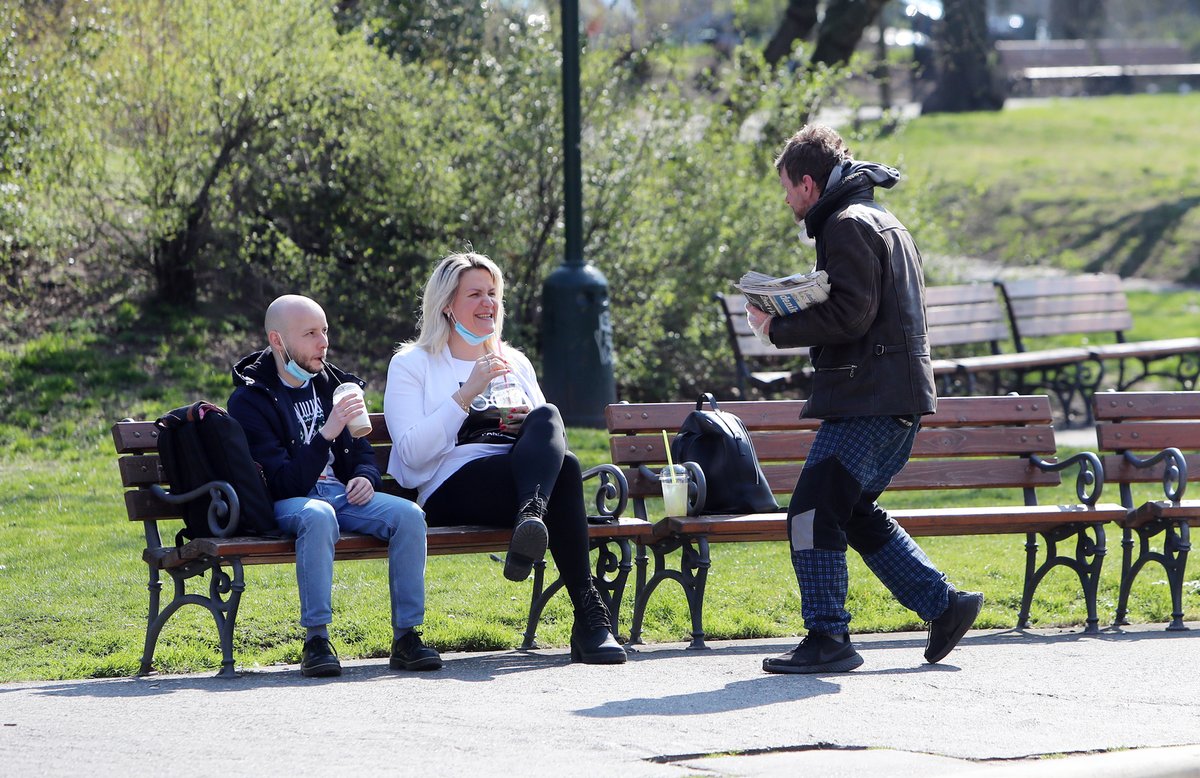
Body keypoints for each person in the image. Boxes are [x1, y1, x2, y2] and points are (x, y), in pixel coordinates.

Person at [746, 124, 984, 674]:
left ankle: (828, 637)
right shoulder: (879, 219)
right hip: (896, 396)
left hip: (869, 398)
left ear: (808, 183)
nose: (785, 199)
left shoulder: (847, 225)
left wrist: (776, 326)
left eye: (786, 187)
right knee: (850, 512)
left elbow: (851, 312)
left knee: (809, 511)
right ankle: (945, 606)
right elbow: (867, 307)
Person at [383, 251, 626, 665]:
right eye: (475, 294)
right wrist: (465, 395)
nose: (488, 304)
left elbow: (548, 436)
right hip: (451, 484)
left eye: (493, 293)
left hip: (520, 481)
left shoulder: (515, 361)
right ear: (446, 304)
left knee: (550, 426)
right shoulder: (413, 364)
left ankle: (532, 521)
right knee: (565, 470)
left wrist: (523, 424)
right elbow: (408, 457)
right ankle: (590, 620)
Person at [228, 294, 441, 678]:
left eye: (324, 331)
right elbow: (283, 483)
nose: (323, 342)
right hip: (290, 503)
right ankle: (316, 640)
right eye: (310, 333)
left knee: (409, 516)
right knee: (319, 514)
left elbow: (361, 450)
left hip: (341, 495)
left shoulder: (334, 384)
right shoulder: (250, 400)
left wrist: (365, 476)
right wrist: (327, 432)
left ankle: (408, 637)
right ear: (278, 341)